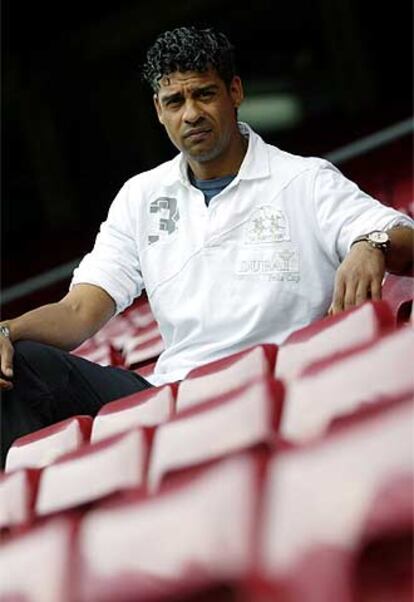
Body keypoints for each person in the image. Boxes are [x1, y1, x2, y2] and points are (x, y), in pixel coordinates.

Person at [1, 26, 413, 467]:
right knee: (19, 365)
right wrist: (7, 330)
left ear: (235, 92)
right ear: (159, 110)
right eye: (175, 102)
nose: (191, 113)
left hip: (284, 379)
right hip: (173, 396)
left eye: (204, 94)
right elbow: (78, 312)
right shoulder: (141, 197)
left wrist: (371, 243)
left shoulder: (303, 179)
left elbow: (402, 237)